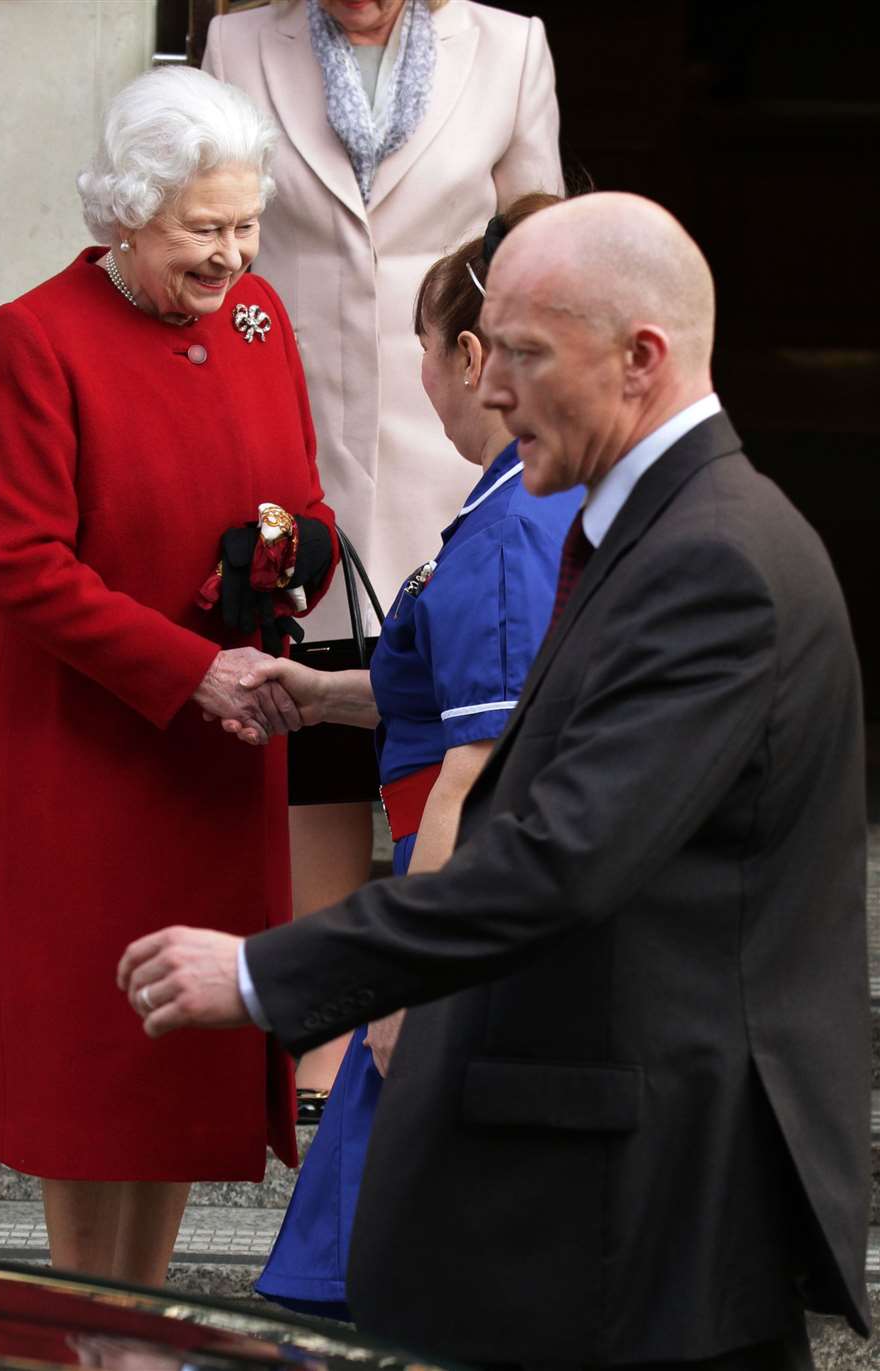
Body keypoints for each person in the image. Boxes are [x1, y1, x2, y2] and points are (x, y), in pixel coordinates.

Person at [118, 192, 871, 1369]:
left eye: (523, 352)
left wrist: (271, 971)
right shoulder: (647, 526)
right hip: (612, 1177)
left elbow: (561, 855)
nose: (495, 385)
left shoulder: (712, 557)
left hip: (657, 1196)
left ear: (642, 359)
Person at [0, 66, 335, 1288]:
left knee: (187, 1041)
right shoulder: (37, 335)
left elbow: (303, 494)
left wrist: (295, 555)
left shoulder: (258, 319)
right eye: (204, 229)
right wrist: (194, 671)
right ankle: (86, 1319)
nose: (235, 255)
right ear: (126, 211)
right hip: (88, 753)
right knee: (93, 1053)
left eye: (246, 224)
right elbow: (22, 563)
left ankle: (144, 1315)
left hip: (216, 754)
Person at [225, 192, 580, 1318]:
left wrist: (408, 976)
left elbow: (483, 760)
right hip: (457, 911)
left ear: (471, 357)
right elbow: (431, 692)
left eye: (423, 351)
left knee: (364, 1272)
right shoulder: (504, 507)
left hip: (452, 913)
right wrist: (320, 693)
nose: (420, 376)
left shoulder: (514, 520)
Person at [203, 0, 565, 1099]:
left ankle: (406, 1002)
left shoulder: (510, 45)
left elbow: (542, 241)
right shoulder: (236, 44)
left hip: (453, 420)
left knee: (435, 706)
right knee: (309, 718)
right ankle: (322, 1018)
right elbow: (206, 227)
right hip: (284, 426)